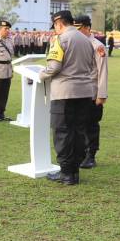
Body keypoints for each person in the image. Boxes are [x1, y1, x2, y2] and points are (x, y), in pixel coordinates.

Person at [40, 10, 96, 185]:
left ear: (59, 24)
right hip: (85, 92)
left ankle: (66, 173)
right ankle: (74, 172)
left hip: (64, 92)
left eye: (55, 26)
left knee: (62, 132)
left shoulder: (60, 39)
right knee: (79, 131)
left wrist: (41, 74)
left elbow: (54, 67)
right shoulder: (87, 40)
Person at [74, 15, 108, 169]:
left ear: (87, 28)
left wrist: (101, 95)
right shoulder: (76, 44)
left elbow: (102, 72)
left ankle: (91, 155)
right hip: (78, 91)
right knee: (79, 124)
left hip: (92, 92)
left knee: (91, 125)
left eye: (79, 29)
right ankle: (80, 154)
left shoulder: (97, 46)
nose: (76, 32)